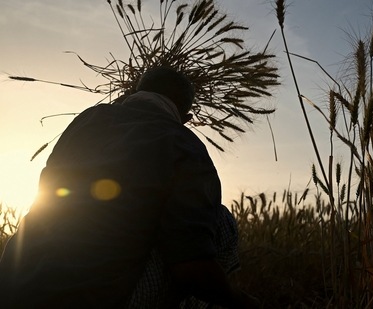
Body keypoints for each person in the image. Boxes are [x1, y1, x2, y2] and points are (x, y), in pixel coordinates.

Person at [0, 66, 259, 308]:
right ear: (187, 118)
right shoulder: (183, 143)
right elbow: (192, 266)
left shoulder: (87, 119)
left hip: (14, 282)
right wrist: (243, 302)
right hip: (91, 297)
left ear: (133, 92)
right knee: (222, 221)